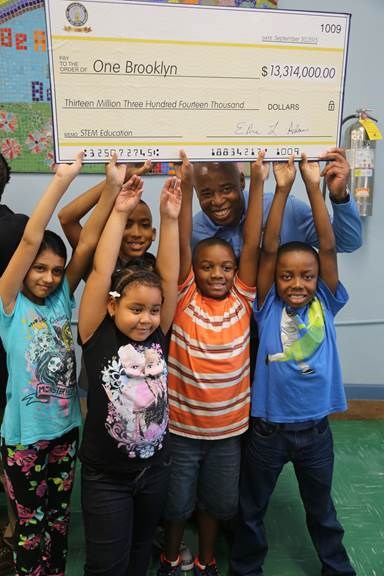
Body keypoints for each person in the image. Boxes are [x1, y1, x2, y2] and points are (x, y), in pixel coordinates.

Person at [231, 155, 356, 575]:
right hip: (268, 431)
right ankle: (246, 569)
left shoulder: (326, 300)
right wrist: (281, 189)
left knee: (322, 511)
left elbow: (329, 244)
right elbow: (268, 247)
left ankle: (336, 568)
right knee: (251, 510)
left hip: (316, 431)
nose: (297, 284)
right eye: (287, 276)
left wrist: (312, 184)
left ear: (317, 279)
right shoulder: (265, 306)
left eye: (306, 276)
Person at [0, 151, 124, 576]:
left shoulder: (61, 300)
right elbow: (32, 237)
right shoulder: (9, 303)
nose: (49, 278)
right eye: (39, 269)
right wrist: (64, 179)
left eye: (55, 271)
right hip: (24, 441)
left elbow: (87, 243)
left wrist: (111, 186)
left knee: (57, 521)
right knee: (29, 527)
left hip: (66, 433)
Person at [157, 151, 267, 576]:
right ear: (194, 270)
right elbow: (183, 241)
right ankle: (170, 557)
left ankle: (205, 559)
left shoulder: (243, 298)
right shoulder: (183, 298)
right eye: (207, 267)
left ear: (237, 270)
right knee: (176, 503)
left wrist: (257, 182)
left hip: (228, 435)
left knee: (217, 504)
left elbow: (254, 239)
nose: (217, 274)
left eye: (225, 267)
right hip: (182, 430)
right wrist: (184, 186)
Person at [77, 173, 182, 576]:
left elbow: (168, 278)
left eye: (153, 310)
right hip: (107, 476)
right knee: (107, 564)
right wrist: (119, 211)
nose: (146, 318)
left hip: (154, 470)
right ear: (111, 306)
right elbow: (102, 271)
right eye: (135, 309)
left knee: (141, 554)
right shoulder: (95, 331)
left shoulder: (159, 333)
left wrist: (169, 219)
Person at [192, 148, 362, 257]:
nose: (218, 200)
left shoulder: (288, 210)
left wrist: (340, 197)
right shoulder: (195, 231)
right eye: (206, 193)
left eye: (226, 189)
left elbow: (348, 242)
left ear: (242, 181)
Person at [0, 152, 28, 574]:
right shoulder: (20, 227)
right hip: (13, 355)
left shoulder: (20, 228)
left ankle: (10, 530)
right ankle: (11, 530)